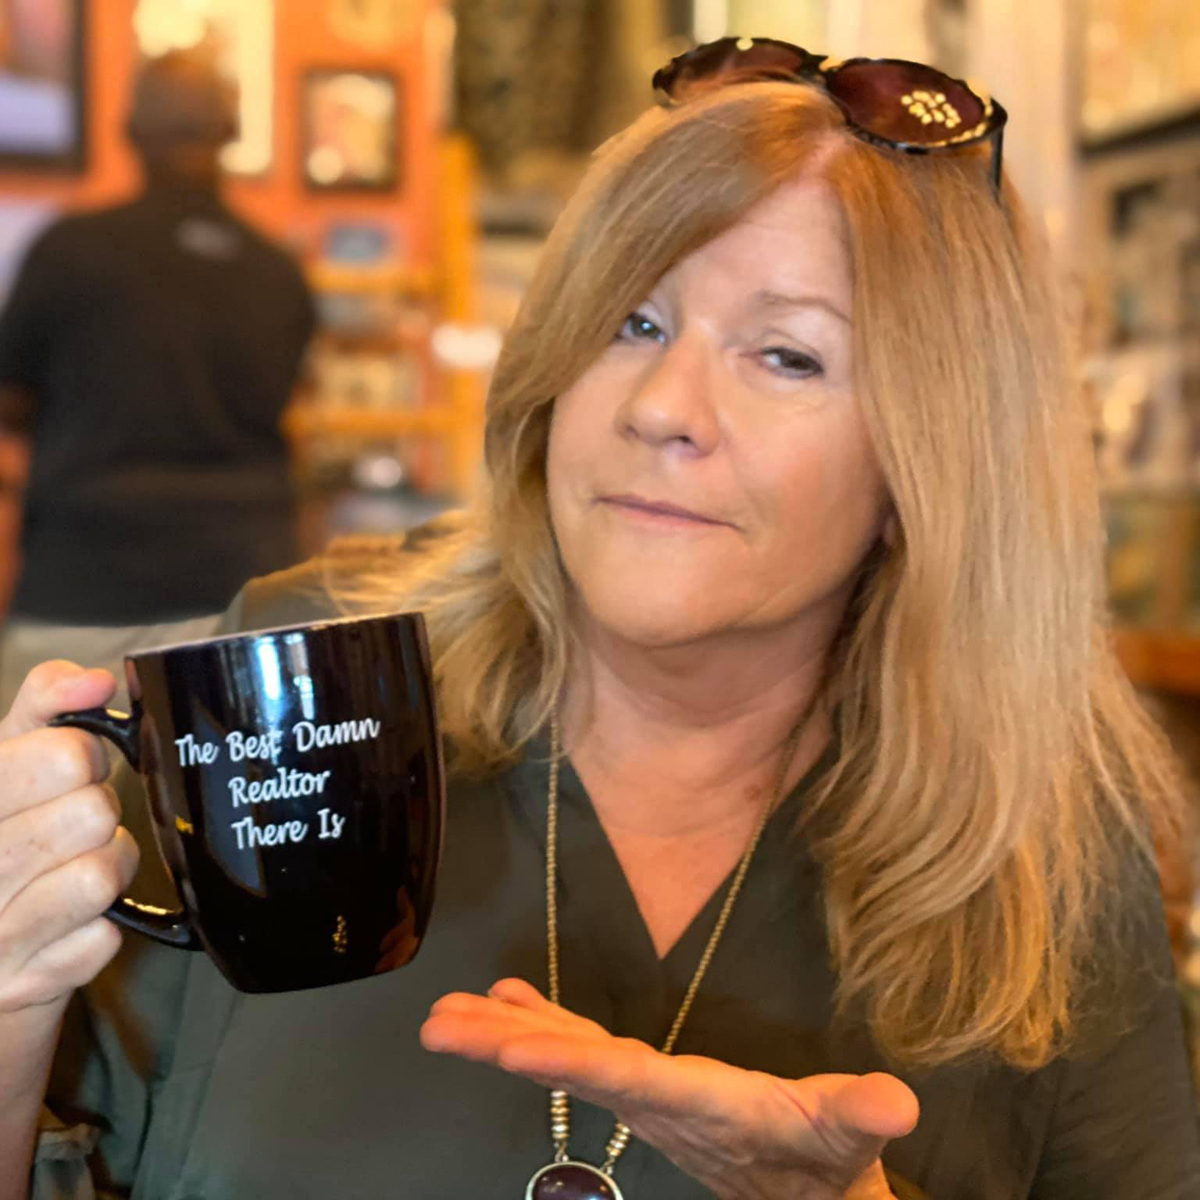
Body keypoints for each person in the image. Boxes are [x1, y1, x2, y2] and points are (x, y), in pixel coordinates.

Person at [2, 37, 1199, 1200]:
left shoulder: (1047, 864)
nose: (664, 406)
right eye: (632, 322)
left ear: (930, 462)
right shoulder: (294, 681)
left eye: (787, 356)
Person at [0, 49, 315, 711]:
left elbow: (10, 394)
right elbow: (287, 402)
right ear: (232, 133)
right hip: (245, 606)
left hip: (82, 593)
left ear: (129, 134)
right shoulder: (278, 273)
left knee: (46, 775)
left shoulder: (68, 251)